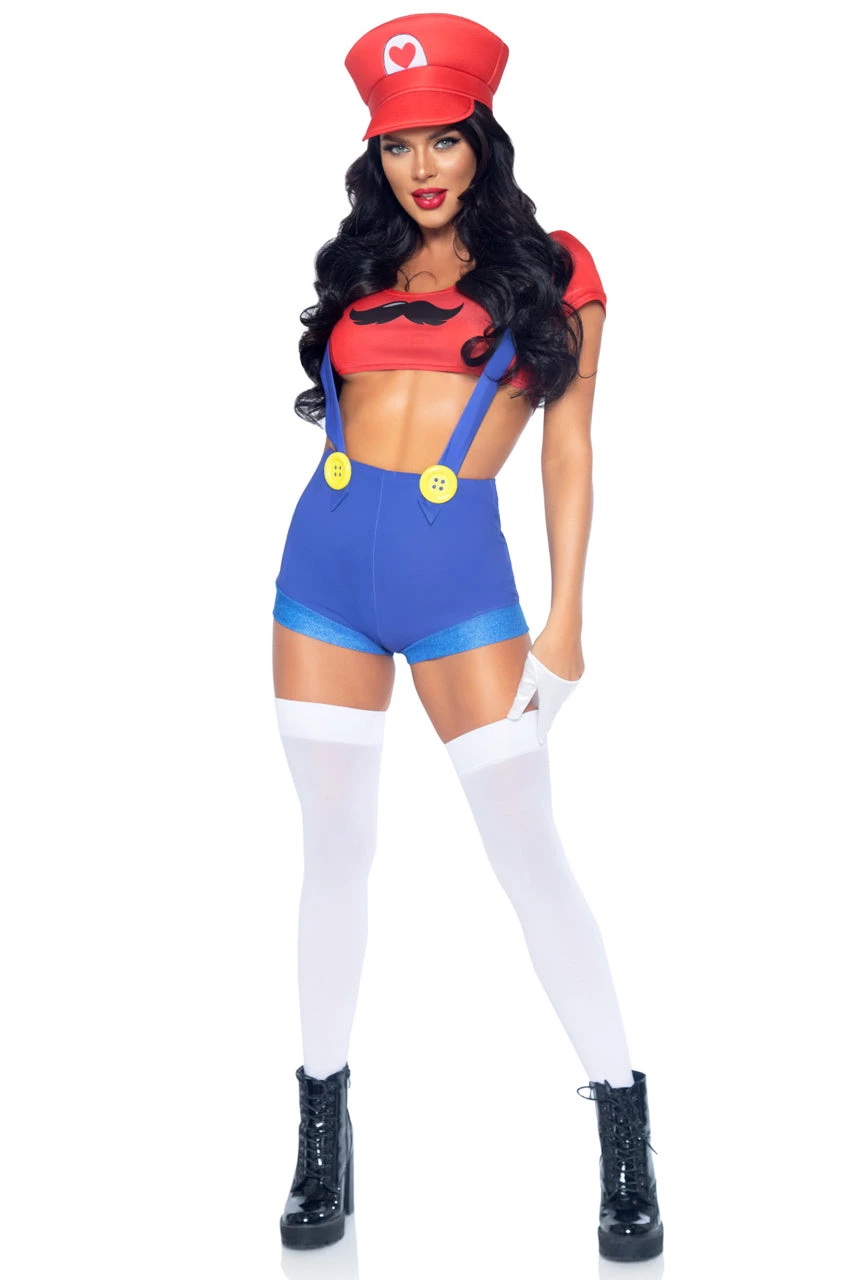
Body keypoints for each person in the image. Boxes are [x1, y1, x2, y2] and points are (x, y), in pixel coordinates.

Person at [272, 12, 663, 1262]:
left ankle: (623, 1122)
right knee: (333, 852)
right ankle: (321, 1126)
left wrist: (567, 623)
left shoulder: (553, 268)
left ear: (481, 140)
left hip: (462, 591)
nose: (421, 167)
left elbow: (567, 448)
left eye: (443, 139)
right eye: (397, 145)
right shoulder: (361, 269)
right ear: (374, 157)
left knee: (527, 854)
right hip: (319, 581)